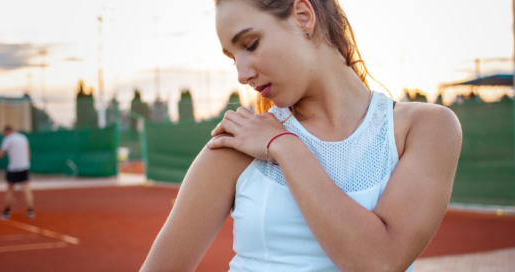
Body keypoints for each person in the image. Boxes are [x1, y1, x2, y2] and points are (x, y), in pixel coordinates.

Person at [141, 0, 461, 271]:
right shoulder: (237, 143)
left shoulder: (427, 128)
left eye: (250, 45)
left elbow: (381, 260)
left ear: (303, 16)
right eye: (233, 57)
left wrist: (285, 147)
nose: (241, 74)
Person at [0, 125, 35, 221]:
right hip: (24, 167)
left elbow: (0, 153)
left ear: (7, 131)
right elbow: (28, 151)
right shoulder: (23, 137)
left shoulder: (8, 139)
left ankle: (7, 212)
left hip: (13, 169)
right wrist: (26, 163)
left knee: (10, 190)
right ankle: (30, 212)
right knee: (26, 189)